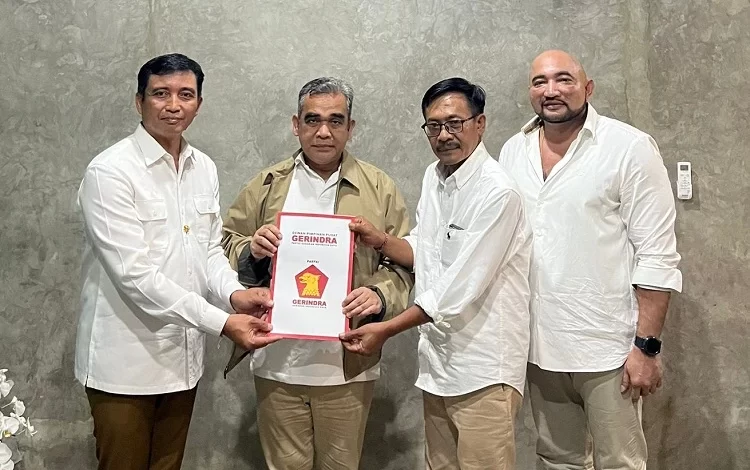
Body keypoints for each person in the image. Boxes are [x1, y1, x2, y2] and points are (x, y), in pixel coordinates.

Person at [74, 53, 279, 470]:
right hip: (125, 363)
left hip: (182, 360)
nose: (173, 105)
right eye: (160, 94)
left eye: (185, 94)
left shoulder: (203, 167)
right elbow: (135, 277)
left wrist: (235, 295)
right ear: (139, 101)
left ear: (198, 104)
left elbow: (208, 251)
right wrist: (223, 322)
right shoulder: (110, 172)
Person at [497, 49, 683, 470]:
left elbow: (657, 255)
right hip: (538, 346)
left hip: (608, 349)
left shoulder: (629, 148)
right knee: (555, 460)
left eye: (563, 79)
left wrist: (646, 348)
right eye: (540, 82)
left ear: (588, 87)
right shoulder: (513, 151)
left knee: (620, 463)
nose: (551, 90)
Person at [221, 77, 413, 470]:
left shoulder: (380, 187)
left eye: (335, 120)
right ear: (296, 125)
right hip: (276, 362)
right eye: (312, 120)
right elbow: (224, 242)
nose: (323, 131)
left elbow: (404, 260)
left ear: (350, 127)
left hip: (347, 366)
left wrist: (378, 295)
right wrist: (252, 249)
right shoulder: (267, 184)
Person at [340, 77, 532, 470]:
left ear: (480, 124)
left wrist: (385, 330)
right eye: (434, 125)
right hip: (439, 366)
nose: (444, 135)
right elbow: (424, 250)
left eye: (455, 123)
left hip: (484, 370)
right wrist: (380, 240)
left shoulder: (498, 193)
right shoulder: (435, 176)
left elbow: (457, 288)